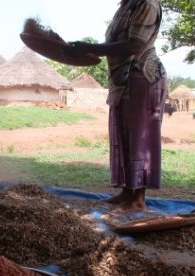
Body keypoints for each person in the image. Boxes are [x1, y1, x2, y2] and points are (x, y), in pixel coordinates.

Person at [69, 0, 167, 211]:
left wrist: (91, 48)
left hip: (142, 76)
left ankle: (138, 199)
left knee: (139, 136)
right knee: (122, 134)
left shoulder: (147, 3)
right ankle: (127, 191)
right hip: (123, 78)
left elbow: (134, 45)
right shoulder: (127, 5)